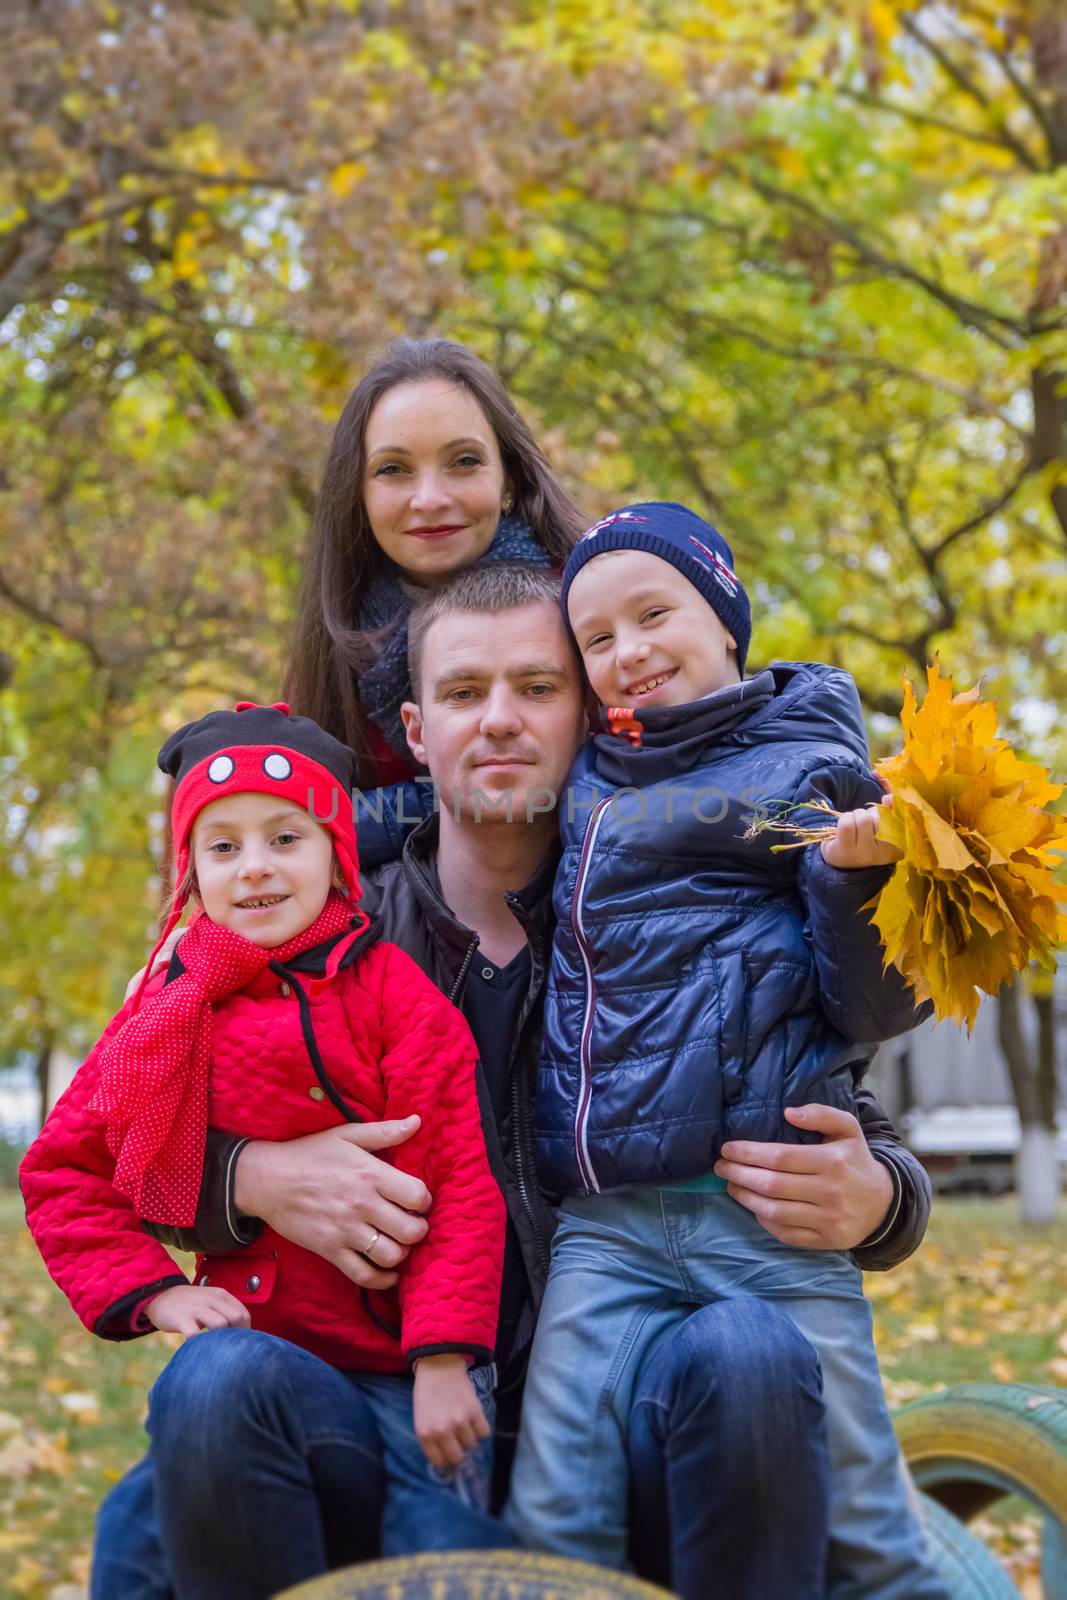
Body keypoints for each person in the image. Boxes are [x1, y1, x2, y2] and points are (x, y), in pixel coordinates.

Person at [94, 568, 937, 1600]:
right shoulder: (303, 937)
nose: (497, 720)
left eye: (536, 687)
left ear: (591, 711)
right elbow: (118, 1145)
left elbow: (826, 1089)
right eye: (462, 693)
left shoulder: (680, 899)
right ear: (413, 724)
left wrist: (884, 1198)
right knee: (214, 1386)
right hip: (385, 1404)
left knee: (752, 1349)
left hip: (628, 1400)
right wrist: (248, 1177)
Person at [504, 507, 948, 1598]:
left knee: (870, 1524)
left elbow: (875, 1008)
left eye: (653, 614)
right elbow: (420, 811)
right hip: (604, 1227)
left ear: (724, 616)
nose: (628, 652)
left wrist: (858, 881)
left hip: (765, 1213)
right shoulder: (587, 776)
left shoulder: (819, 765)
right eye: (596, 640)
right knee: (552, 1506)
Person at [21, 703, 508, 1596]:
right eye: (223, 847)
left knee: (432, 1549)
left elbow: (460, 1180)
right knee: (131, 1540)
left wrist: (444, 1359)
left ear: (334, 855)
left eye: (285, 838)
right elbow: (62, 1172)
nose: (254, 867)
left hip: (392, 1373)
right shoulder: (167, 1010)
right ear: (191, 871)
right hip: (251, 1357)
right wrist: (160, 1294)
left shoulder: (390, 993)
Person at [284, 335, 583, 808]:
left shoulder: (592, 608)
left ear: (509, 476)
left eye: (464, 461)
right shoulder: (338, 648)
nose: (430, 499)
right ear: (356, 495)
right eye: (393, 469)